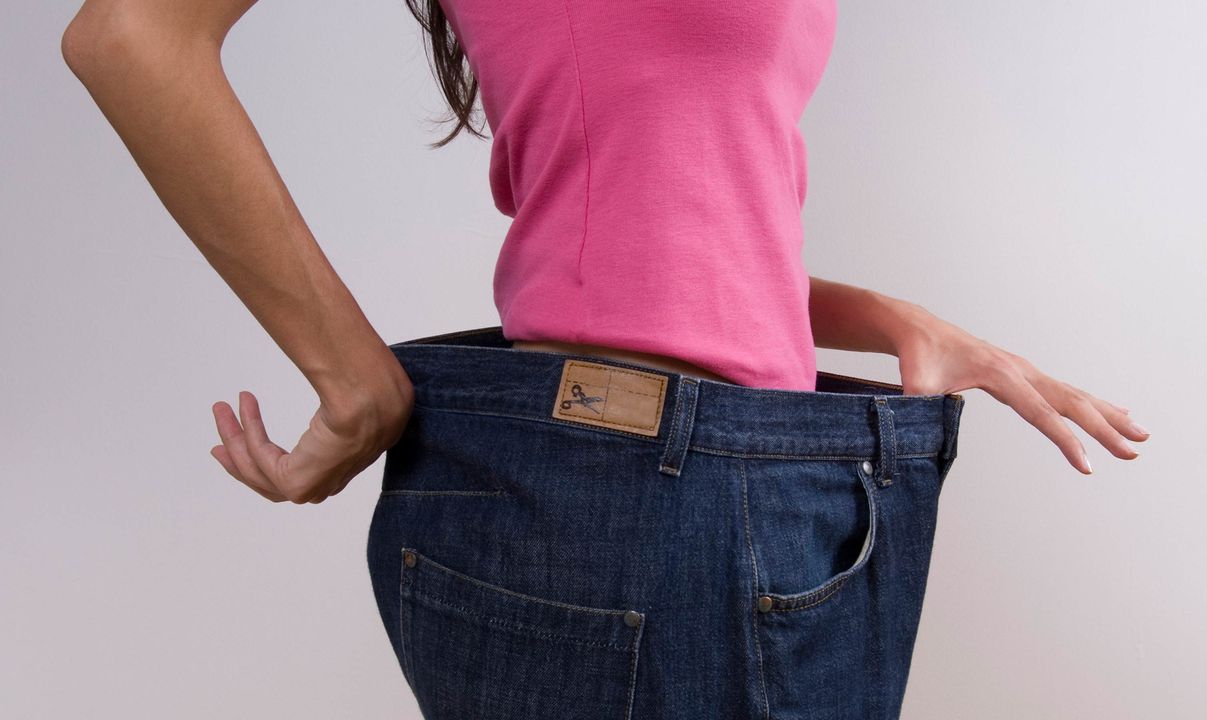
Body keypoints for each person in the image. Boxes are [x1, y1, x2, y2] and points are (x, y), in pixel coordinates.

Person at [62, 0, 1149, 717]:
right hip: (632, 503)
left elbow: (667, 217)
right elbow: (131, 33)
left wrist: (891, 318)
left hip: (766, 486)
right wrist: (351, 378)